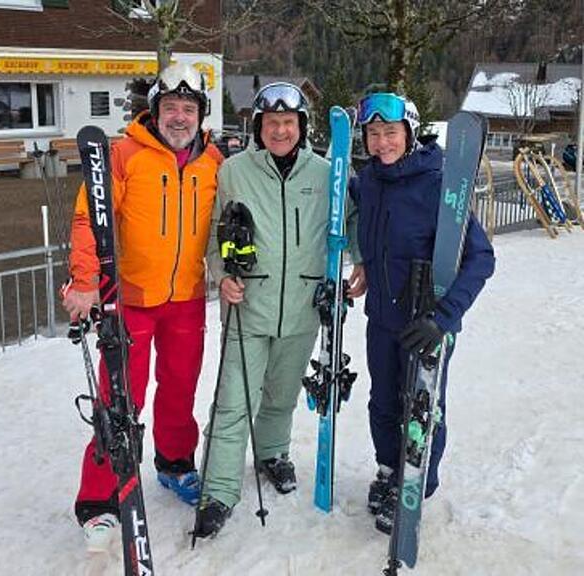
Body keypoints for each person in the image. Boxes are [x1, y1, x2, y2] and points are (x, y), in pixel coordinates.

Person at [193, 82, 366, 538]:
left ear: (302, 127)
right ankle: (218, 491)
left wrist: (362, 260)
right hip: (248, 305)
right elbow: (214, 232)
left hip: (304, 308)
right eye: (272, 123)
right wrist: (221, 274)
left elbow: (351, 220)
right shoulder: (234, 171)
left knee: (282, 395)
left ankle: (272, 452)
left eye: (289, 122)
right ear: (259, 127)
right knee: (233, 402)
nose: (280, 131)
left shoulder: (326, 173)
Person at [62, 62, 223, 547]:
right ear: (154, 110)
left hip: (186, 298)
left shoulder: (214, 162)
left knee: (180, 389)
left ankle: (174, 463)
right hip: (129, 299)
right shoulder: (124, 155)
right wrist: (85, 280)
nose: (179, 117)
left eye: (189, 108)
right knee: (119, 398)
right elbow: (88, 218)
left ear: (201, 114)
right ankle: (99, 497)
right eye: (170, 106)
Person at [349, 92, 495, 534]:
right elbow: (356, 218)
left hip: (426, 322)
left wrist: (442, 319)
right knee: (382, 403)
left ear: (410, 134)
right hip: (381, 319)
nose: (381, 142)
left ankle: (415, 482)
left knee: (423, 409)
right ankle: (389, 470)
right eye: (373, 133)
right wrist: (361, 260)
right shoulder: (369, 181)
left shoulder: (438, 183)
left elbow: (481, 258)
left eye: (390, 132)